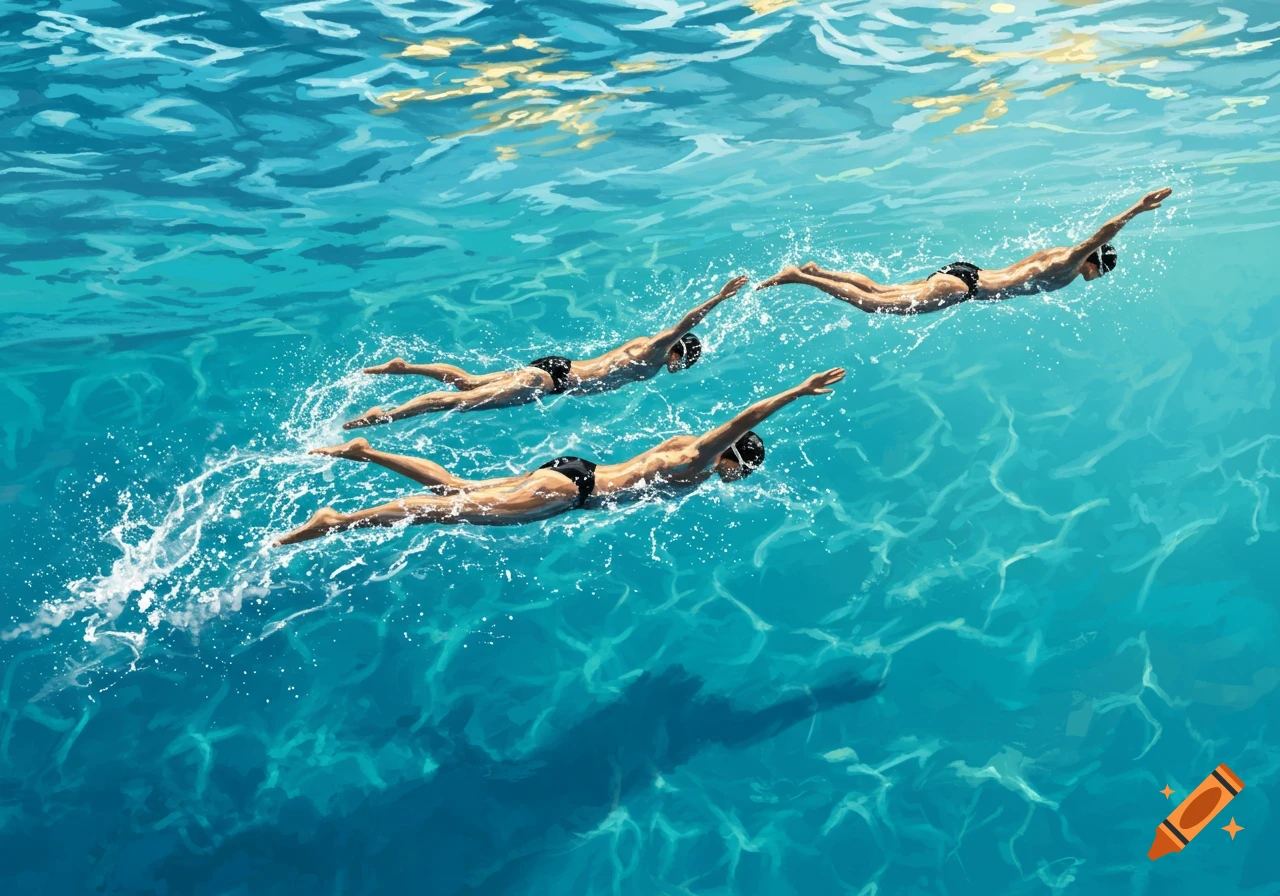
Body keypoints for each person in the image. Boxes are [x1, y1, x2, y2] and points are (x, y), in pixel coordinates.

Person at [275, 367, 846, 545]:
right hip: (571, 491)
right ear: (733, 459)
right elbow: (741, 422)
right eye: (743, 469)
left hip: (574, 473)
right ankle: (337, 522)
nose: (740, 478)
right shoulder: (697, 460)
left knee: (457, 489)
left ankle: (367, 452)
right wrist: (795, 393)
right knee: (441, 508)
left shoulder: (678, 449)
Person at [342, 275, 750, 429]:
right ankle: (387, 416)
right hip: (552, 380)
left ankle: (407, 366)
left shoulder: (646, 356)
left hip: (555, 370)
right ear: (677, 354)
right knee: (460, 401)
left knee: (467, 381)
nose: (681, 368)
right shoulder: (651, 353)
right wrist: (719, 298)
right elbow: (684, 325)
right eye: (685, 361)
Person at [755, 187, 1172, 314]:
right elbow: (1102, 231)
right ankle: (802, 278)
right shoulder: (1067, 264)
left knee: (881, 289)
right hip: (963, 289)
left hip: (965, 272)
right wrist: (1138, 208)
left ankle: (817, 269)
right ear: (1095, 262)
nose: (1098, 279)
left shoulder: (1056, 253)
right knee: (876, 306)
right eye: (1102, 271)